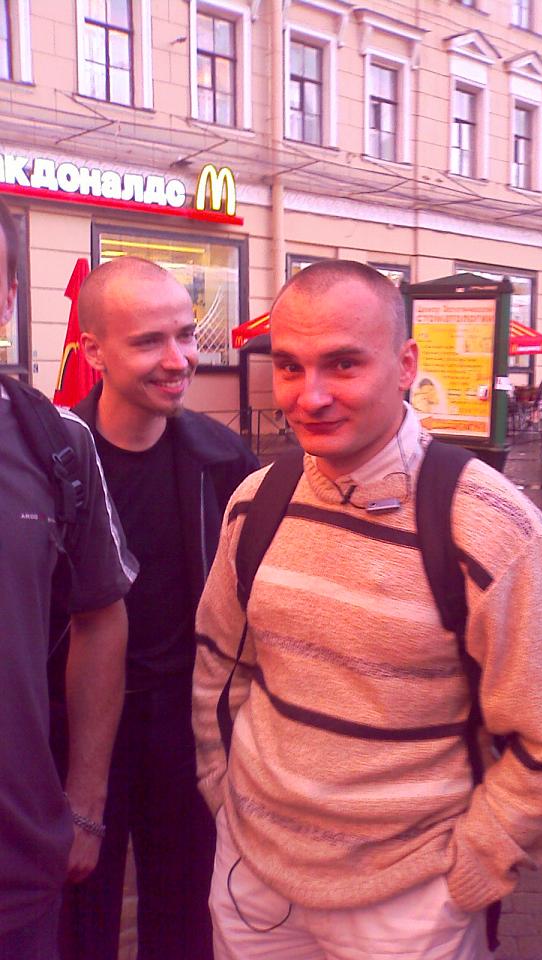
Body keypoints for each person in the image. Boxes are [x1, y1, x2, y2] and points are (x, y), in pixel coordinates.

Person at [192, 261, 542, 960]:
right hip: (253, 879)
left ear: (406, 364)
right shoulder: (255, 502)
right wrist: (223, 792)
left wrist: (473, 869)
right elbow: (220, 665)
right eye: (290, 367)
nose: (310, 396)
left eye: (343, 364)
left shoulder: (495, 529)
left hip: (409, 903)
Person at [57, 257, 258, 960]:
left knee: (184, 919)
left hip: (185, 725)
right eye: (149, 342)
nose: (178, 360)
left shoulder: (223, 459)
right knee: (77, 914)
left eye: (186, 335)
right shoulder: (51, 462)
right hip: (75, 727)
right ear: (94, 352)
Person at [0, 198, 136, 960]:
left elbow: (101, 615)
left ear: (10, 297)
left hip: (16, 868)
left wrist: (85, 802)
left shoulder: (56, 443)